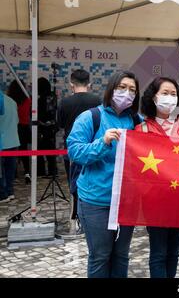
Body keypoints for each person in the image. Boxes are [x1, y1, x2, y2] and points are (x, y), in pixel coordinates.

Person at [67, 71, 141, 278]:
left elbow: (159, 144)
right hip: (95, 201)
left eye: (132, 90)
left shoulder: (136, 121)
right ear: (112, 88)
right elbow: (74, 151)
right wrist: (103, 142)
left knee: (121, 255)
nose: (127, 93)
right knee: (100, 255)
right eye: (122, 88)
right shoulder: (91, 117)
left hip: (126, 201)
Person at [135, 76, 179, 278]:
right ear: (153, 97)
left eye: (174, 94)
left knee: (173, 252)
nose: (170, 98)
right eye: (165, 93)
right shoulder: (141, 129)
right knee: (158, 253)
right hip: (156, 202)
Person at [57, 69, 101, 223]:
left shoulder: (65, 102)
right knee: (93, 178)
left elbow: (60, 124)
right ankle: (89, 210)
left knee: (74, 181)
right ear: (89, 84)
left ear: (71, 84)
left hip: (74, 149)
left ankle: (76, 212)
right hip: (94, 148)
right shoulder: (97, 101)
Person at [7, 80, 32, 184]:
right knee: (24, 150)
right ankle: (27, 172)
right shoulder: (27, 99)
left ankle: (14, 173)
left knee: (13, 150)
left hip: (13, 126)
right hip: (24, 127)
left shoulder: (10, 100)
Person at [0, 90, 20, 203]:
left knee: (1, 170)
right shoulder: (11, 101)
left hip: (2, 142)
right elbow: (16, 120)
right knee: (10, 169)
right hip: (13, 140)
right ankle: (10, 191)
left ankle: (2, 194)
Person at [37, 77, 58, 177]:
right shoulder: (53, 97)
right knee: (51, 150)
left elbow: (41, 114)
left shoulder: (40, 100)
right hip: (52, 127)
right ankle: (52, 171)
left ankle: (41, 171)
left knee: (40, 150)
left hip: (43, 127)